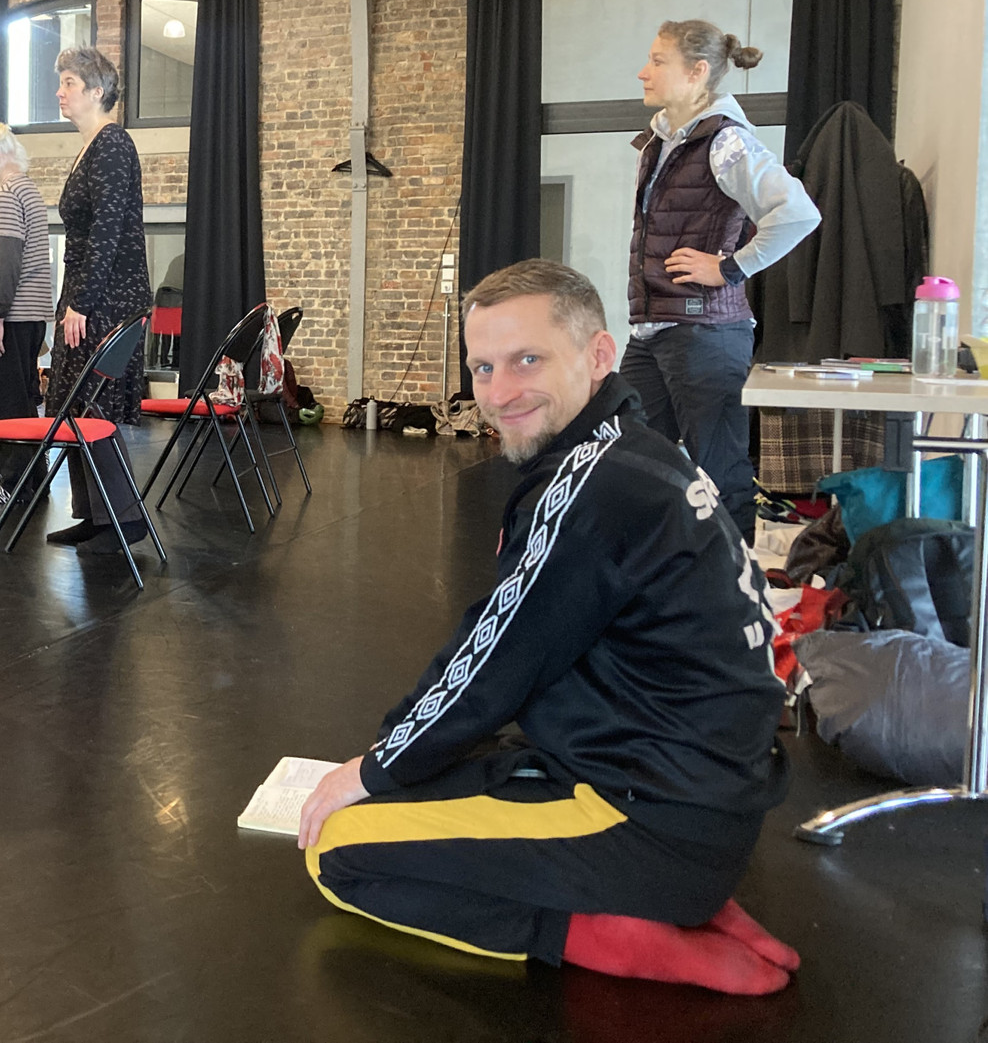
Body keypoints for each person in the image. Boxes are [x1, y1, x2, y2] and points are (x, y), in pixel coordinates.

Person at [298, 259, 797, 996]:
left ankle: (610, 932)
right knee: (419, 771)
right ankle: (684, 903)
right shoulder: (636, 452)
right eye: (483, 367)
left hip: (651, 821)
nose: (499, 392)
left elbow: (492, 663)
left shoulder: (593, 487)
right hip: (699, 807)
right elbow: (500, 635)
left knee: (337, 850)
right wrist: (394, 752)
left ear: (598, 355)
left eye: (527, 359)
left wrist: (368, 769)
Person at [624, 20, 820, 535]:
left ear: (697, 72)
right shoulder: (661, 142)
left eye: (657, 61)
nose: (643, 72)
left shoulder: (725, 142)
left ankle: (737, 588)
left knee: (720, 467)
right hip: (652, 329)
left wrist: (729, 268)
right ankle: (663, 571)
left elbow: (798, 212)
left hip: (704, 332)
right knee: (631, 456)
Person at [41, 47, 153, 552]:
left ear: (96, 91)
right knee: (73, 402)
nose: (60, 92)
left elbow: (107, 231)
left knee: (91, 405)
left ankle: (123, 519)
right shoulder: (91, 147)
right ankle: (92, 515)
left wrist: (81, 303)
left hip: (104, 297)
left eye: (68, 82)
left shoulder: (112, 144)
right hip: (88, 291)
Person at [0, 122, 54, 508]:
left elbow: (7, 262)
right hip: (31, 316)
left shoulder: (5, 196)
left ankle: (16, 485)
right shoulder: (29, 190)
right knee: (25, 400)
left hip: (13, 317)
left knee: (7, 405)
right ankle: (34, 481)